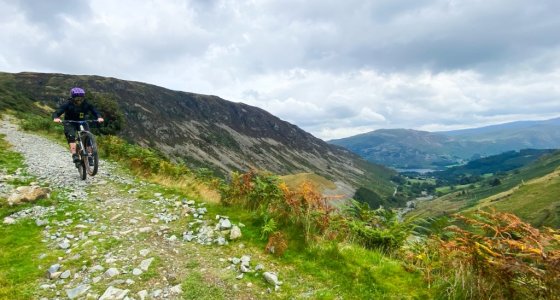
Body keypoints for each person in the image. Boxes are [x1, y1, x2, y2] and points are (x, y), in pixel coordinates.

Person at [52, 87, 104, 165]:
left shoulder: (87, 104)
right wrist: (56, 118)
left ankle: (89, 156)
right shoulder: (67, 104)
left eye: (81, 98)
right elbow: (57, 112)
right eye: (77, 98)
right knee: (71, 136)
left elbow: (94, 111)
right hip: (70, 122)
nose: (79, 100)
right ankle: (74, 155)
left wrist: (99, 117)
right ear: (72, 98)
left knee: (87, 137)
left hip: (82, 122)